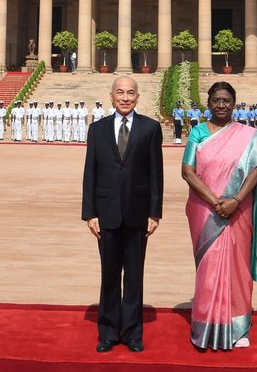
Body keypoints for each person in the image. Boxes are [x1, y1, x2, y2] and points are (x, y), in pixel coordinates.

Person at [181, 81, 257, 351]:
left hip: (239, 209)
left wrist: (235, 200)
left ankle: (238, 325)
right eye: (216, 100)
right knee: (208, 268)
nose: (221, 105)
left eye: (226, 101)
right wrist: (216, 202)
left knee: (237, 265)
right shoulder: (198, 132)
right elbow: (188, 171)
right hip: (204, 210)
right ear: (208, 103)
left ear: (234, 103)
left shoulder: (250, 137)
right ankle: (205, 324)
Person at [82, 76, 164, 354]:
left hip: (138, 213)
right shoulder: (97, 129)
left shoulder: (150, 129)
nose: (125, 98)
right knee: (109, 275)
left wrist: (155, 212)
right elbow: (90, 173)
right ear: (111, 96)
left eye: (130, 93)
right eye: (120, 93)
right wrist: (89, 212)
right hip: (105, 213)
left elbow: (156, 173)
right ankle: (107, 332)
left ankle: (131, 333)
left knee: (134, 277)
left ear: (138, 97)